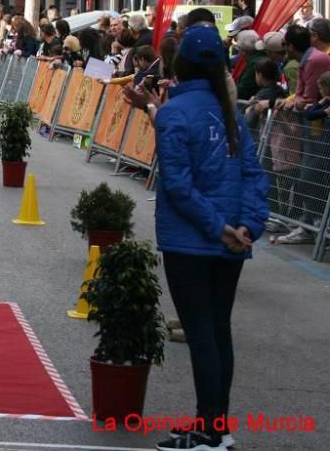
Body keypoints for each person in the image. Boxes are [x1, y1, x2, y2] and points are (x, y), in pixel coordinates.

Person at [149, 24, 268, 451]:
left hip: (192, 240)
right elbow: (255, 176)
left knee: (202, 332)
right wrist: (248, 227)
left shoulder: (175, 113)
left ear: (179, 64)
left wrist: (219, 227)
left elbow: (179, 186)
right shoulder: (231, 114)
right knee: (218, 330)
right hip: (231, 240)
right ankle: (216, 425)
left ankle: (210, 430)